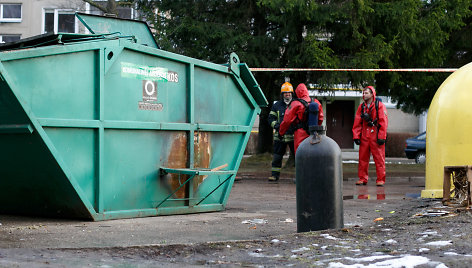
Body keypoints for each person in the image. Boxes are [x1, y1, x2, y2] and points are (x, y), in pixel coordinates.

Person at [352, 86, 388, 186]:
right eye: (363, 93)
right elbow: (357, 122)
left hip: (375, 136)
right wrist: (356, 136)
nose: (364, 95)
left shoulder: (379, 105)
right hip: (364, 136)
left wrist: (382, 137)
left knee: (379, 159)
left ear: (372, 94)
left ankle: (380, 179)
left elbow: (383, 122)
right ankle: (362, 178)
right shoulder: (361, 107)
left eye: (366, 93)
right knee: (362, 159)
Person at [279, 83, 324, 154]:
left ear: (297, 93)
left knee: (300, 154)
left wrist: (281, 132)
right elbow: (321, 118)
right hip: (313, 133)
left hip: (300, 133)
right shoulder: (316, 102)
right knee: (313, 152)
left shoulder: (295, 103)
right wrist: (314, 127)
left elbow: (286, 121)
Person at [267, 82, 296, 182]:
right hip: (280, 136)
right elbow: (270, 118)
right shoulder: (277, 105)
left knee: (298, 157)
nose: (287, 94)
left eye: (289, 93)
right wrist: (276, 125)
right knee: (277, 157)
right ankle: (274, 176)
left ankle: (300, 176)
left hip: (293, 136)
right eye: (285, 93)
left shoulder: (296, 104)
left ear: (292, 93)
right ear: (282, 94)